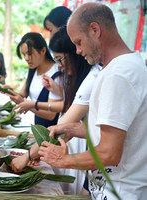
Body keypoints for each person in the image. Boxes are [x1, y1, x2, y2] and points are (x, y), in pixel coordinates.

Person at [38, 3, 147, 200]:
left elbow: (109, 153)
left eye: (78, 42)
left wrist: (63, 159)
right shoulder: (124, 66)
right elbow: (121, 133)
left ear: (95, 30)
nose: (78, 51)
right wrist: (74, 129)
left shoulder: (119, 75)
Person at [11, 26, 94, 195]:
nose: (60, 65)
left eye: (61, 59)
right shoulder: (77, 76)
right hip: (69, 142)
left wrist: (28, 156)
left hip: (79, 148)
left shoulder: (93, 76)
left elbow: (62, 124)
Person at [5, 32, 63, 128]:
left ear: (43, 50)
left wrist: (29, 105)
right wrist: (8, 91)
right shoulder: (33, 70)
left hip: (54, 131)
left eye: (29, 54)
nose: (27, 58)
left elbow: (51, 115)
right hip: (40, 128)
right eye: (24, 54)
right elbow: (22, 95)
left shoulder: (57, 74)